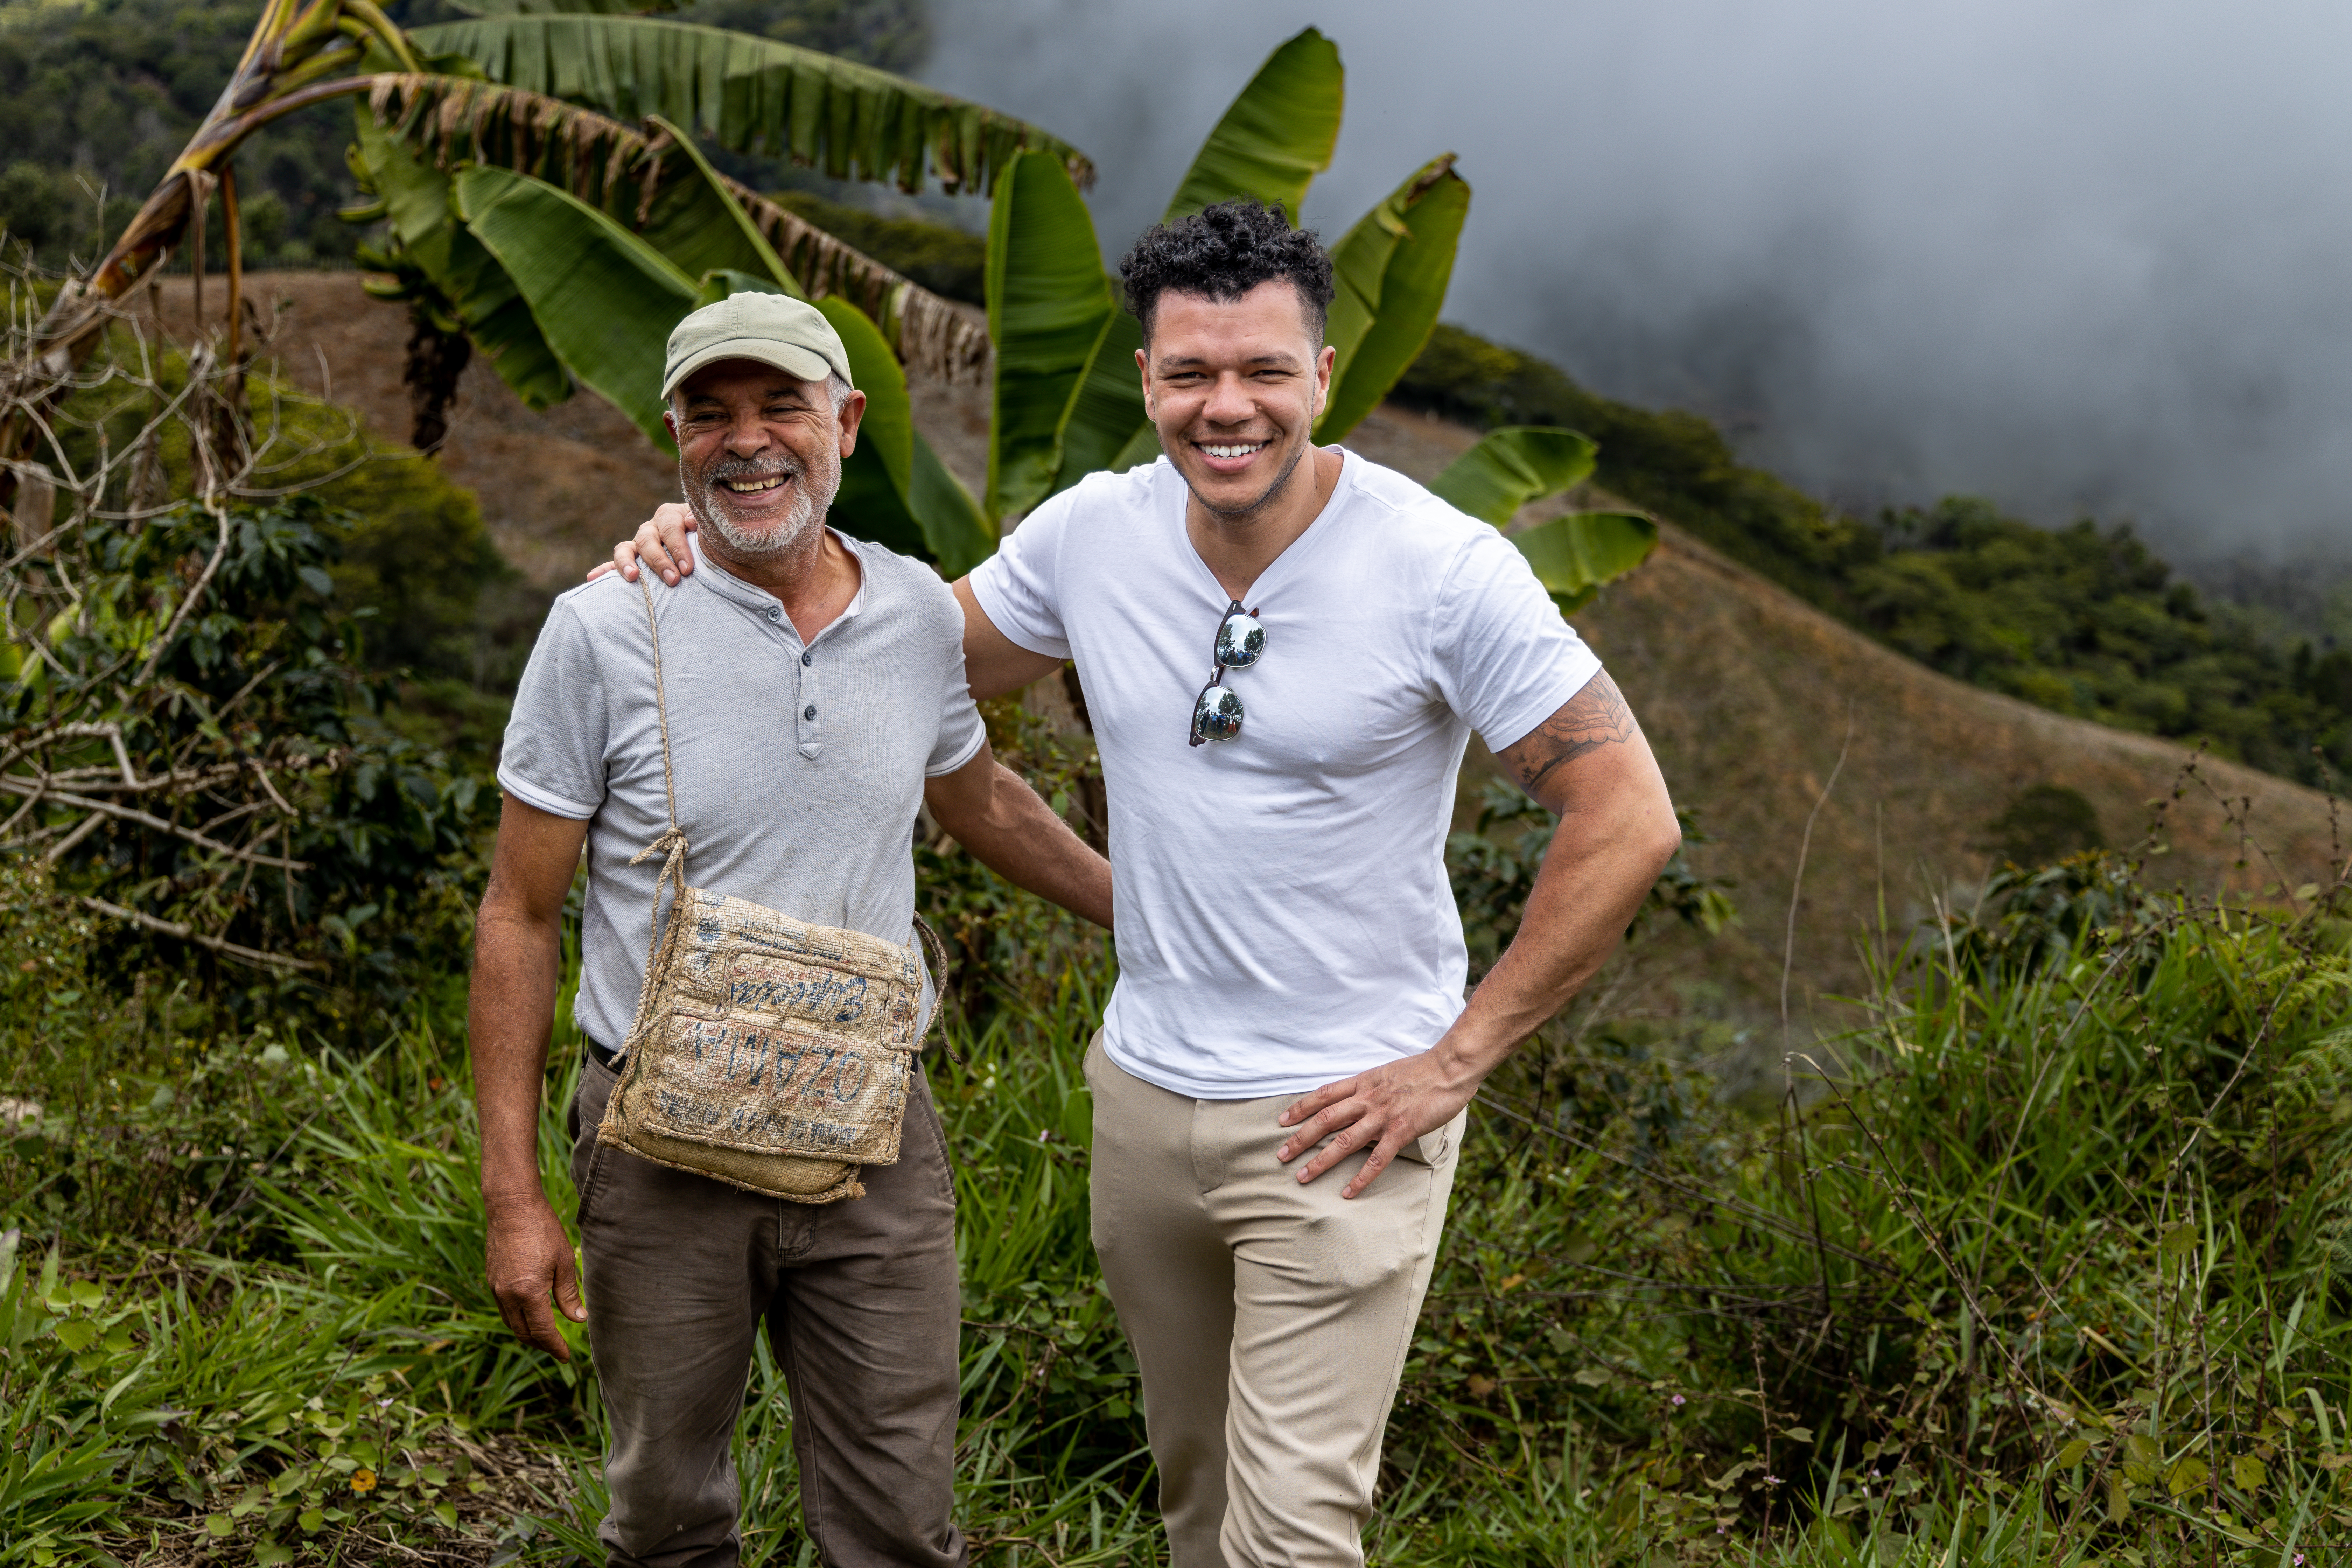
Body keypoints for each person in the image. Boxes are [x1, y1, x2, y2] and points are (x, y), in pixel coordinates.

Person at [605, 204, 1682, 1568]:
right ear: (1147, 382)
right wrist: (705, 551)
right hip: (1147, 1097)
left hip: (1343, 1116)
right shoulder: (1090, 539)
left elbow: (1627, 812)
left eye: (1264, 372)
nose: (1226, 407)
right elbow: (896, 678)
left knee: (1290, 1539)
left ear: (1325, 377)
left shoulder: (1439, 568)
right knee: (1199, 1508)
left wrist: (1455, 1059)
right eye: (1191, 375)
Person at [473, 291, 1113, 1568]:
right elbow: (519, 912)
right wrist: (513, 1196)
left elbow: (976, 793)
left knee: (897, 1517)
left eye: (783, 408)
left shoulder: (922, 615)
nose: (748, 442)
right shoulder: (604, 630)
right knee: (667, 1514)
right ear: (674, 439)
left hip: (872, 1135)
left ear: (849, 423)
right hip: (659, 1149)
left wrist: (1143, 910)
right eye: (710, 417)